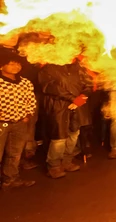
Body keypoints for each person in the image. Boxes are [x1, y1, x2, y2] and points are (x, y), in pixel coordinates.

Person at [40, 57, 91, 178]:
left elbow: (88, 84)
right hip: (58, 106)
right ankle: (54, 166)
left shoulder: (79, 67)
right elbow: (50, 87)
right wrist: (72, 99)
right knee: (59, 136)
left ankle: (67, 161)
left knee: (74, 134)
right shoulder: (49, 68)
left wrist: (82, 98)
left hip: (77, 106)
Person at [0, 50, 37, 189]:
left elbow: (31, 101)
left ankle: (10, 179)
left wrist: (27, 115)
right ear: (1, 66)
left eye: (18, 64)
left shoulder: (25, 83)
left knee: (14, 153)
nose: (16, 67)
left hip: (19, 123)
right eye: (11, 64)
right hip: (2, 124)